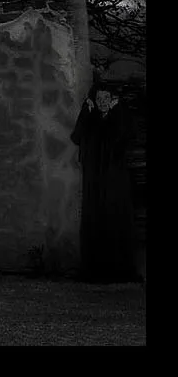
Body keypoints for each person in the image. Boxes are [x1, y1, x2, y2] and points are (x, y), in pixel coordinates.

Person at [70, 82, 139, 282]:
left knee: (115, 220)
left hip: (115, 180)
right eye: (99, 98)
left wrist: (118, 111)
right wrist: (86, 111)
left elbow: (126, 135)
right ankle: (95, 269)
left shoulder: (118, 118)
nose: (102, 102)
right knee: (95, 221)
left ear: (112, 100)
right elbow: (76, 137)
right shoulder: (91, 120)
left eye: (106, 98)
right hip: (94, 181)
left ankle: (118, 269)